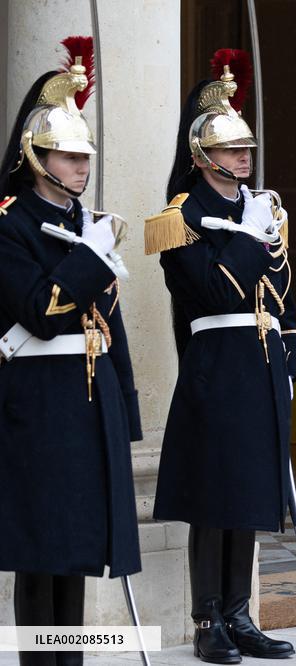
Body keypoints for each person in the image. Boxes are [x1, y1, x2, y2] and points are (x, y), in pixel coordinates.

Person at [147, 49, 296, 663]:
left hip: (260, 359)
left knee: (248, 492)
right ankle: (208, 620)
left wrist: (262, 230)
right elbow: (211, 289)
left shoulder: (259, 209)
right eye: (234, 151)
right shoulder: (180, 219)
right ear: (203, 157)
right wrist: (250, 236)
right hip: (213, 362)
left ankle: (240, 613)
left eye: (248, 151)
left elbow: (282, 289)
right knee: (213, 495)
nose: (245, 159)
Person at [0, 38, 142, 666]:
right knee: (40, 555)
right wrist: (93, 254)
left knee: (80, 551)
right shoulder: (10, 223)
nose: (81, 167)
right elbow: (42, 309)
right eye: (67, 155)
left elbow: (110, 325)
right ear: (36, 156)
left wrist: (127, 407)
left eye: (85, 156)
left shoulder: (90, 224)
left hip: (90, 405)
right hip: (37, 406)